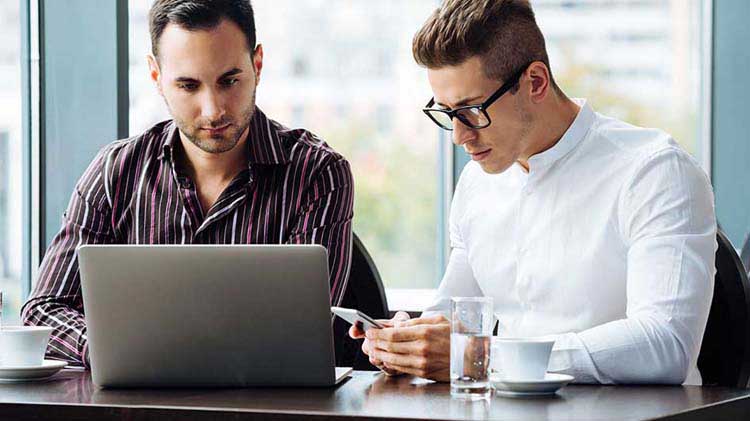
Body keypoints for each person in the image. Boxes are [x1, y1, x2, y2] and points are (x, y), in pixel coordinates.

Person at [352, 0, 715, 385]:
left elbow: (666, 345)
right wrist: (408, 342)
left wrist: (485, 358)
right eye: (446, 113)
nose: (459, 136)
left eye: (472, 111)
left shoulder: (654, 171)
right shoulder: (479, 182)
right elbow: (455, 316)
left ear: (536, 82)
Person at [22, 0, 354, 368]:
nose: (213, 110)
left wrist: (147, 351)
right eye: (188, 85)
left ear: (257, 65)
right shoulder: (113, 173)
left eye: (229, 81)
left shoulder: (318, 173)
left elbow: (302, 331)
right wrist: (115, 350)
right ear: (155, 76)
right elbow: (44, 310)